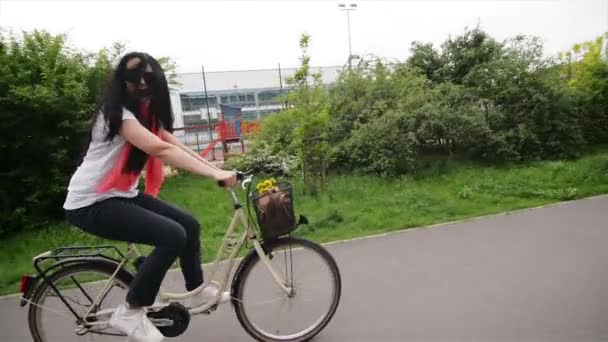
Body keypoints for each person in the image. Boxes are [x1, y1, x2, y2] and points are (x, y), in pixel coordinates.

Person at [63, 52, 237, 342]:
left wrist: (214, 167)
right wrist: (212, 175)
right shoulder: (117, 114)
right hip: (91, 202)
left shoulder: (145, 116)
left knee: (189, 225)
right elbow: (161, 150)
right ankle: (130, 311)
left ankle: (196, 290)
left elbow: (171, 142)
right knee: (172, 236)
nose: (142, 83)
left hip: (120, 195)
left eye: (149, 77)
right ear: (122, 81)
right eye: (134, 77)